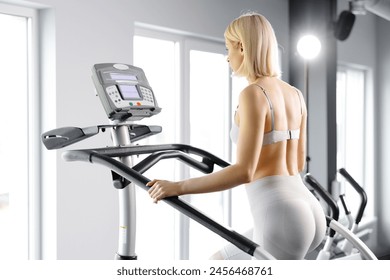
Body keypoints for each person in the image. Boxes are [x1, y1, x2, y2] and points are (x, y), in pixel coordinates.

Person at [147, 12, 326, 260]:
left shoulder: (253, 94)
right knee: (216, 263)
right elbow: (296, 163)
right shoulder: (295, 94)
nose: (227, 57)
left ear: (242, 46)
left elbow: (244, 171)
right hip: (307, 207)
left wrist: (177, 187)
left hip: (281, 215)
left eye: (228, 48)